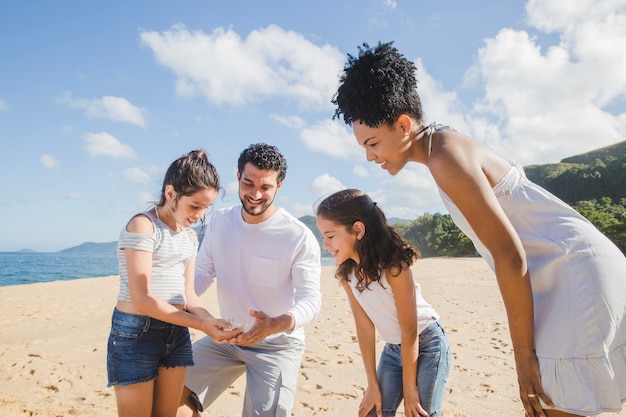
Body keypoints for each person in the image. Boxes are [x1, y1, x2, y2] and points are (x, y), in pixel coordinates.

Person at [331, 41, 626, 417]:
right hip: (563, 273)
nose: (369, 156)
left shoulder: (445, 156)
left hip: (573, 275)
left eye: (372, 143)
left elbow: (509, 255)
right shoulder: (443, 146)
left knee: (548, 405)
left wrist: (522, 357)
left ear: (403, 124)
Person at [177, 143, 322, 417]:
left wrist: (274, 325)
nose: (255, 194)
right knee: (171, 396)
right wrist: (169, 304)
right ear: (238, 177)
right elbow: (202, 274)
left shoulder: (298, 236)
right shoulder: (220, 221)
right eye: (248, 183)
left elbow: (311, 299)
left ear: (280, 185)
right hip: (227, 338)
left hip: (277, 345)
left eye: (265, 187)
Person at [107, 149, 241, 417]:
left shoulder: (189, 237)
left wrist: (213, 322)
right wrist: (201, 324)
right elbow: (142, 298)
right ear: (171, 194)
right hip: (136, 335)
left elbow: (189, 295)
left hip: (177, 334)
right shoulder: (143, 226)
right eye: (195, 206)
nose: (200, 215)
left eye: (206, 208)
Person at [316, 189, 451, 417]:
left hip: (427, 343)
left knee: (418, 413)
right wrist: (372, 385)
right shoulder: (347, 274)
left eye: (330, 236)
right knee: (373, 411)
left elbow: (410, 331)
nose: (325, 245)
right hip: (393, 348)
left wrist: (410, 389)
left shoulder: (394, 267)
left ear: (357, 230)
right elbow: (364, 327)